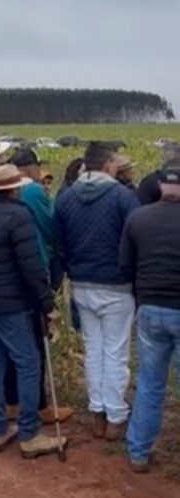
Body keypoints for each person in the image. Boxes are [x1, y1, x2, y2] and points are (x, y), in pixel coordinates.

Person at [0, 165, 67, 458]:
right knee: (28, 363)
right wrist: (47, 304)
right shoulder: (18, 216)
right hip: (11, 303)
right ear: (15, 189)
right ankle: (29, 433)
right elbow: (31, 266)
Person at [54, 142, 140, 440]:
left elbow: (59, 243)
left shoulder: (65, 198)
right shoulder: (122, 197)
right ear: (106, 165)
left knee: (93, 348)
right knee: (115, 351)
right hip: (116, 285)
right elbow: (134, 239)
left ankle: (97, 412)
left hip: (81, 284)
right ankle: (116, 415)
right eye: (115, 162)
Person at [120, 160, 180, 472]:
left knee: (149, 383)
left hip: (149, 309)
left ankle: (139, 452)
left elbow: (125, 266)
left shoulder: (138, 218)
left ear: (160, 186)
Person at [9, 149, 73, 424]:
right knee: (37, 339)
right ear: (31, 167)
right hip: (34, 269)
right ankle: (41, 405)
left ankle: (11, 402)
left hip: (5, 278)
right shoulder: (33, 191)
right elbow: (48, 226)